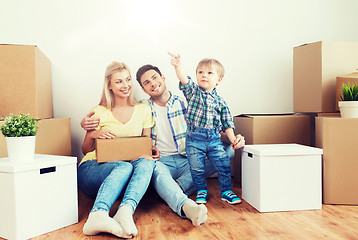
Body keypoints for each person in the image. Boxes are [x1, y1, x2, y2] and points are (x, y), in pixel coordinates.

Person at [81, 64, 244, 226]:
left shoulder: (187, 102)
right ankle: (184, 204)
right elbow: (139, 143)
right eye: (146, 83)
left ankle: (174, 188)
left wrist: (233, 138)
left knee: (227, 151)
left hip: (188, 158)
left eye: (155, 78)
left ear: (163, 78)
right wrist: (91, 130)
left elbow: (212, 131)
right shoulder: (144, 108)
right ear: (143, 89)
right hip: (161, 162)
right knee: (151, 167)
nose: (153, 83)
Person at [77, 61, 156, 238]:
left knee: (145, 164)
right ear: (110, 85)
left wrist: (150, 152)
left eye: (128, 79)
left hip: (122, 176)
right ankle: (98, 214)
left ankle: (125, 211)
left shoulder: (144, 110)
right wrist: (95, 133)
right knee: (124, 166)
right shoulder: (98, 111)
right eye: (119, 81)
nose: (126, 85)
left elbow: (146, 144)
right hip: (92, 169)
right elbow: (85, 149)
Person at [168, 53, 244, 205]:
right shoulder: (193, 92)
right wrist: (177, 66)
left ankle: (226, 190)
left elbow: (227, 124)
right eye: (200, 72)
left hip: (214, 139)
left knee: (223, 163)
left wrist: (233, 139)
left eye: (209, 73)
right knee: (196, 168)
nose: (204, 75)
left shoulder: (220, 102)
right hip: (194, 139)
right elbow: (184, 80)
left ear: (218, 79)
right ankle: (201, 190)